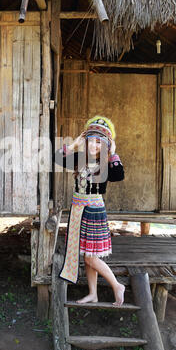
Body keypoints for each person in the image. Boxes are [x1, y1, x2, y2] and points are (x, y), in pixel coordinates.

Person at [54, 115, 125, 306]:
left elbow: (119, 175)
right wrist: (74, 144)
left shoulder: (106, 162)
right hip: (79, 210)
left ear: (105, 145)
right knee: (88, 256)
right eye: (90, 140)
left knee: (91, 258)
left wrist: (113, 153)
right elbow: (57, 158)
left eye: (99, 142)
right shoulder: (79, 158)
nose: (94, 145)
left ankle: (117, 285)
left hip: (94, 211)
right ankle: (93, 294)